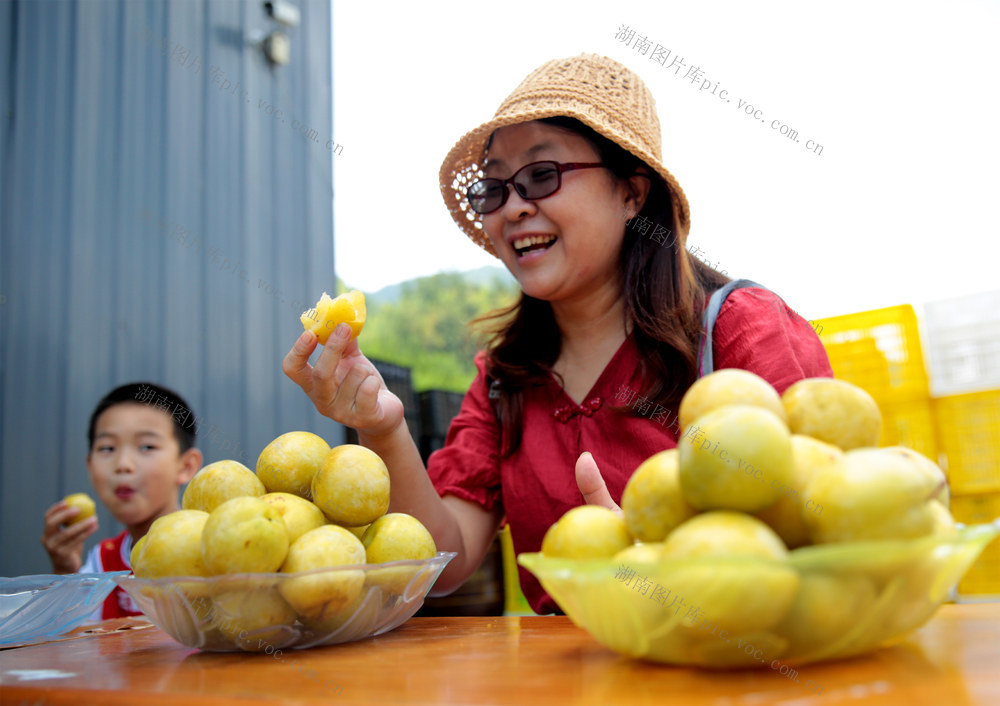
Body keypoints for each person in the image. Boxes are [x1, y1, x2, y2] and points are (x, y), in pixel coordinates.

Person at [282, 53, 833, 614]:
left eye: (542, 175)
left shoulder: (740, 329)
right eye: (494, 189)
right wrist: (384, 426)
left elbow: (827, 527)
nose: (514, 207)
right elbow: (444, 561)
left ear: (631, 194)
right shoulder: (504, 378)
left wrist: (678, 569)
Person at [40, 382, 202, 619]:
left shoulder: (208, 549)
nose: (123, 465)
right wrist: (66, 571)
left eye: (147, 446)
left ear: (186, 466)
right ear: (90, 465)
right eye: (107, 448)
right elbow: (75, 641)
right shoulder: (101, 562)